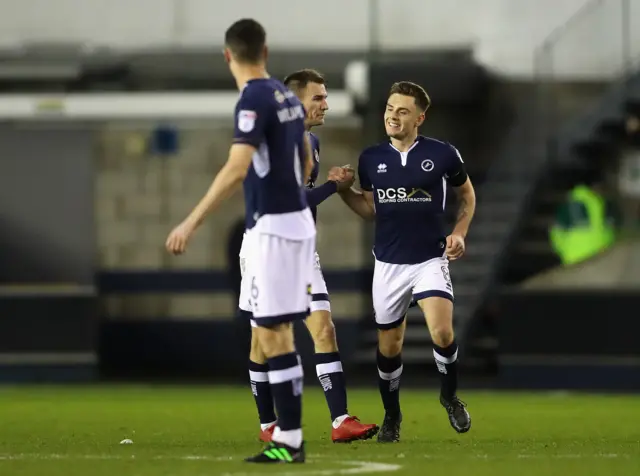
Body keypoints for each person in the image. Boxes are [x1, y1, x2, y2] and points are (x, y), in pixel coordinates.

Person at [165, 18, 313, 463]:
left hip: (273, 228)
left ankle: (289, 440)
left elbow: (236, 167)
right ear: (265, 52)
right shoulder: (287, 95)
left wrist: (190, 221)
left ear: (228, 56)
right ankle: (289, 437)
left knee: (270, 332)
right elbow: (304, 156)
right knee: (275, 331)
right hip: (297, 222)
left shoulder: (251, 98)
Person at [241, 68, 379, 444]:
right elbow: (289, 201)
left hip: (300, 251)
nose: (326, 104)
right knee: (263, 341)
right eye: (318, 97)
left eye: (325, 96)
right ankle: (268, 425)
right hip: (265, 248)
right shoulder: (276, 143)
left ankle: (340, 420)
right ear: (294, 100)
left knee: (324, 328)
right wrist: (334, 185)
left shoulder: (311, 143)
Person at [337, 81, 476, 442]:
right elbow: (370, 210)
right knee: (390, 348)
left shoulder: (444, 154)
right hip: (388, 265)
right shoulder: (370, 159)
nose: (392, 116)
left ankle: (449, 396)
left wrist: (459, 232)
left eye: (401, 110)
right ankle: (392, 416)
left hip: (430, 259)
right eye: (388, 109)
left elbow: (467, 197)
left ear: (420, 117)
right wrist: (342, 192)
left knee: (442, 332)